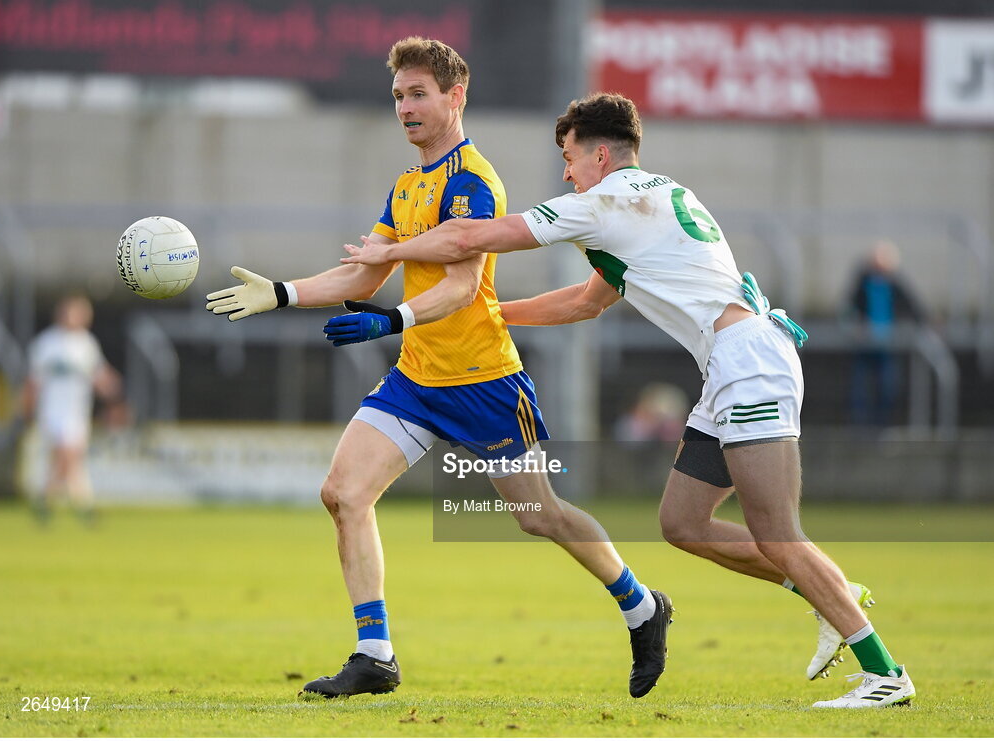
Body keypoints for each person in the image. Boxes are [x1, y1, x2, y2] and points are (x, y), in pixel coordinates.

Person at [339, 92, 915, 709]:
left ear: (601, 154)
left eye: (569, 156)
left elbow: (470, 239)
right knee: (682, 524)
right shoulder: (659, 194)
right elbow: (585, 302)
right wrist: (493, 318)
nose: (566, 172)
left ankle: (885, 674)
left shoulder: (603, 202)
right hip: (734, 364)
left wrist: (391, 251)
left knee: (775, 530)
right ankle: (829, 594)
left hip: (750, 365)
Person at [205, 40, 671, 700]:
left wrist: (390, 320)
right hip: (417, 380)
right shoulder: (405, 185)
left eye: (418, 93)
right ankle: (374, 654)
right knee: (343, 492)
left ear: (455, 96)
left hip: (484, 379)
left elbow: (459, 284)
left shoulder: (472, 180)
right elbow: (366, 270)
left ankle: (641, 605)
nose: (405, 107)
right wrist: (281, 292)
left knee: (540, 516)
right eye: (397, 95)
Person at [21, 294, 122, 523]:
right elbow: (32, 382)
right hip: (52, 411)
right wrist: (27, 411)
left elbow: (100, 377)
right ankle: (82, 506)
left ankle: (50, 502)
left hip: (77, 411)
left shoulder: (86, 344)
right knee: (68, 455)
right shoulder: (46, 344)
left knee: (69, 460)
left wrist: (117, 396)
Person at [847, 239, 926, 428]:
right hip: (865, 346)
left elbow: (913, 308)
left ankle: (882, 426)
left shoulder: (895, 284)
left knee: (888, 389)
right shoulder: (862, 284)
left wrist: (924, 323)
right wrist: (856, 326)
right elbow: (848, 309)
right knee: (860, 390)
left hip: (888, 346)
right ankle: (860, 428)